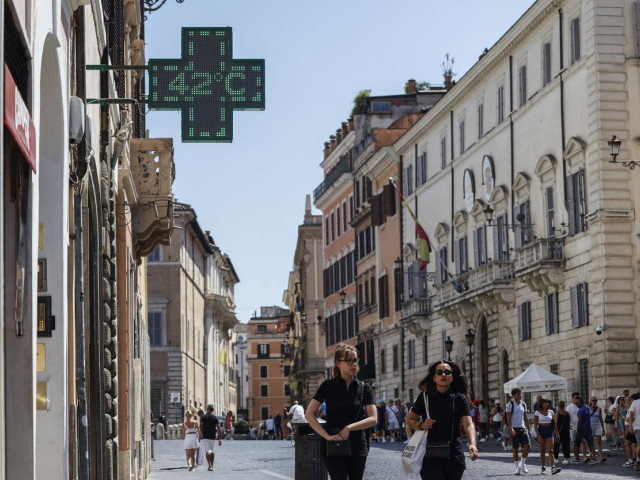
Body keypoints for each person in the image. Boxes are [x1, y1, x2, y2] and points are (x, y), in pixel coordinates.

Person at [305, 343, 377, 480]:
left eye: (355, 360)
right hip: (333, 443)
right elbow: (309, 414)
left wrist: (349, 428)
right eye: (349, 360)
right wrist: (326, 436)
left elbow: (373, 418)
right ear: (338, 363)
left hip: (357, 444)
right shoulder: (327, 386)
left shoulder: (364, 388)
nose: (353, 364)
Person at [406, 360, 478, 480]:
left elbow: (468, 423)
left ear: (452, 377)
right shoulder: (424, 397)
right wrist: (422, 425)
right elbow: (410, 420)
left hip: (454, 454)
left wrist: (472, 444)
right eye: (439, 372)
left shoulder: (459, 398)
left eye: (447, 372)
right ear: (434, 378)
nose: (443, 375)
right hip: (430, 455)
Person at [506, 387, 531, 475]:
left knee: (527, 446)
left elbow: (526, 417)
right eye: (518, 394)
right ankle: (517, 468)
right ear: (513, 395)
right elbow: (508, 418)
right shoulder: (510, 404)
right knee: (515, 449)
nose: (520, 395)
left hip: (522, 427)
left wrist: (529, 428)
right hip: (514, 428)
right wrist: (511, 428)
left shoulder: (523, 404)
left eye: (520, 393)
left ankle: (522, 464)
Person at [534, 398, 561, 475]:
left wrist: (557, 433)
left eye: (547, 403)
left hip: (550, 430)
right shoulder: (537, 412)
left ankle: (553, 468)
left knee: (551, 450)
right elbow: (535, 425)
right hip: (541, 430)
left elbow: (554, 423)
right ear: (541, 404)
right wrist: (537, 433)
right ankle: (543, 467)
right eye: (545, 403)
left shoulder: (551, 412)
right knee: (542, 450)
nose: (547, 404)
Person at [199, 404, 223, 471]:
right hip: (212, 436)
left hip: (205, 436)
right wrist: (220, 439)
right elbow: (219, 428)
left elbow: (200, 426)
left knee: (208, 451)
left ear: (207, 409)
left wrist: (199, 435)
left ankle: (209, 465)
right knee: (211, 450)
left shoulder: (203, 417)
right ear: (212, 410)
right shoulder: (215, 417)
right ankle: (211, 465)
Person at [575, 397, 597, 465]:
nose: (576, 404)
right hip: (588, 428)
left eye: (577, 403)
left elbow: (580, 421)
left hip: (582, 429)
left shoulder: (580, 411)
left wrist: (578, 431)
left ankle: (577, 459)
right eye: (575, 403)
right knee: (590, 444)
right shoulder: (587, 409)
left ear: (581, 403)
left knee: (576, 444)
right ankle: (593, 458)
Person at [553, 400, 571, 465]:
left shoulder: (557, 413)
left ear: (558, 406)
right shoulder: (567, 413)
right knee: (566, 445)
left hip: (558, 431)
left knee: (556, 445)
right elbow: (569, 423)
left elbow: (555, 423)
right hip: (566, 431)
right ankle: (566, 458)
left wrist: (556, 432)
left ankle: (556, 458)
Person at [588, 397, 605, 463]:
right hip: (590, 426)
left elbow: (601, 418)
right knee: (591, 442)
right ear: (591, 401)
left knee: (599, 442)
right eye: (593, 400)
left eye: (595, 400)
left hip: (597, 425)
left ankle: (601, 457)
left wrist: (603, 428)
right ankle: (592, 455)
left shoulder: (599, 409)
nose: (594, 402)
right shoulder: (588, 409)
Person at [566, 391, 581, 463]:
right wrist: (568, 425)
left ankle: (582, 456)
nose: (577, 399)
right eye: (576, 398)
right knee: (575, 443)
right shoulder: (569, 407)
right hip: (573, 427)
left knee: (583, 442)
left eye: (578, 397)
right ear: (573, 398)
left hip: (581, 427)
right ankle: (576, 457)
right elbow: (566, 417)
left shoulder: (581, 406)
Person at [628, 391, 640, 471]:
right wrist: (630, 427)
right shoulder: (635, 402)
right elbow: (631, 415)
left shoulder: (635, 402)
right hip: (638, 427)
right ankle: (638, 460)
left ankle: (638, 460)